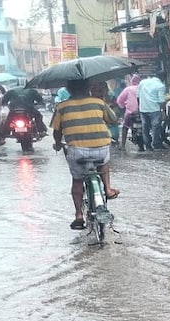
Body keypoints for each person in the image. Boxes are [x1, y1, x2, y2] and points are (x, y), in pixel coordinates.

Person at [49, 79, 120, 230]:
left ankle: (78, 215)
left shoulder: (61, 107)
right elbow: (113, 120)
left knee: (77, 180)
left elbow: (57, 131)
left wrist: (57, 143)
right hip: (101, 148)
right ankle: (107, 188)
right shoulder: (98, 102)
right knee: (104, 163)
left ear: (69, 89)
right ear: (87, 87)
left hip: (77, 150)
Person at [137, 70, 168, 151]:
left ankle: (148, 146)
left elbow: (137, 96)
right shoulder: (160, 86)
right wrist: (164, 112)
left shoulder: (142, 82)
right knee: (155, 127)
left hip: (143, 109)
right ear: (163, 78)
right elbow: (161, 101)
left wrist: (139, 106)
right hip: (154, 109)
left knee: (145, 128)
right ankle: (156, 144)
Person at [115, 75, 141, 150]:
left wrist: (123, 106)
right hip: (142, 111)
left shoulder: (128, 89)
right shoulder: (142, 88)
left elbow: (119, 100)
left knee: (125, 127)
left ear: (132, 81)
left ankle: (122, 146)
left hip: (130, 112)